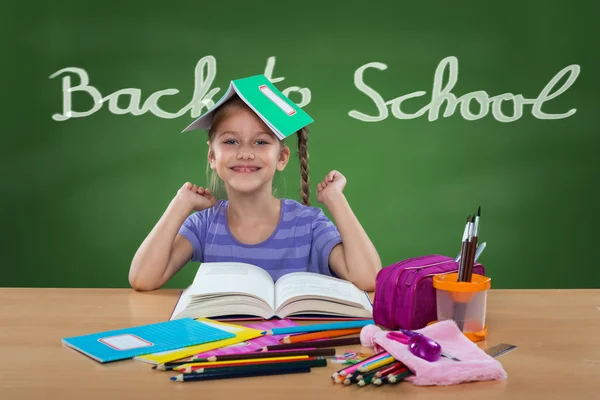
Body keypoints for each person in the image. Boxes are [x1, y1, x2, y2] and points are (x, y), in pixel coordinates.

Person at [129, 94, 382, 292]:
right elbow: (142, 278)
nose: (245, 153)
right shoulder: (205, 225)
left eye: (260, 142)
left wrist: (336, 200)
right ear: (212, 156)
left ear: (281, 157)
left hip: (291, 350)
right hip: (226, 350)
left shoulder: (309, 224)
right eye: (230, 141)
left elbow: (369, 278)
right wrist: (180, 204)